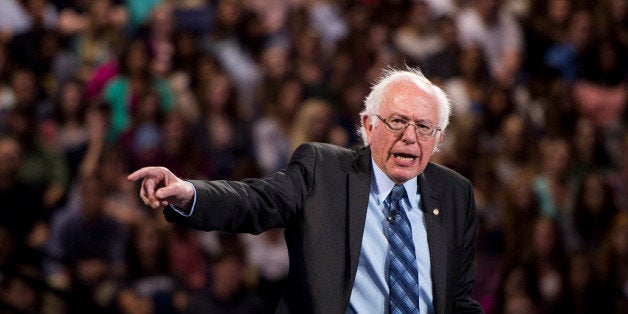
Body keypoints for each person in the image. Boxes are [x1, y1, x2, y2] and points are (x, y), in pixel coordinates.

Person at [128, 68, 484, 313]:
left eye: (424, 127)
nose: (410, 136)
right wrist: (189, 192)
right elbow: (256, 201)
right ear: (368, 125)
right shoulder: (323, 169)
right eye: (397, 122)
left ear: (438, 139)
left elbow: (457, 299)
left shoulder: (455, 194)